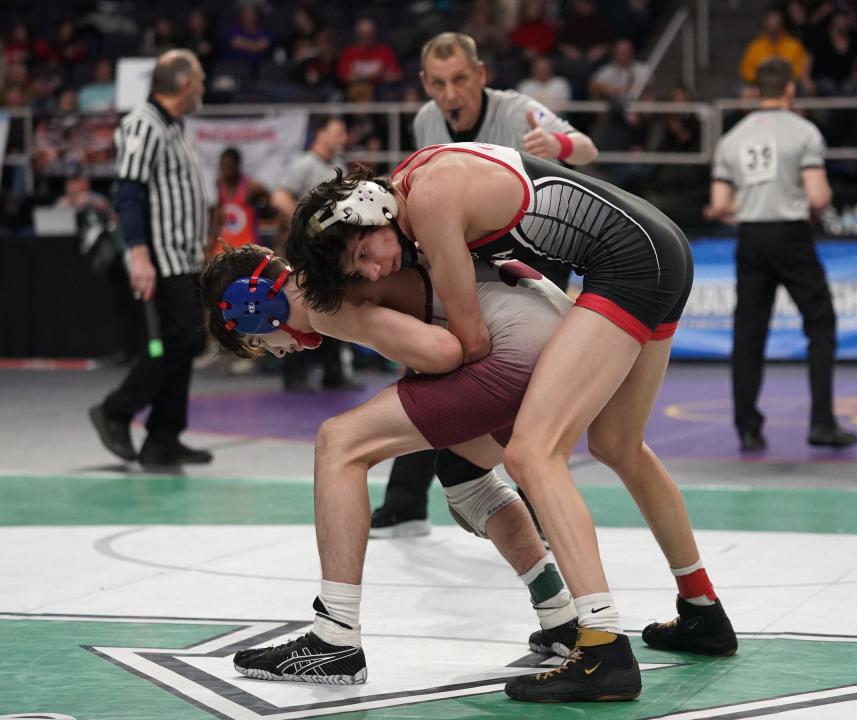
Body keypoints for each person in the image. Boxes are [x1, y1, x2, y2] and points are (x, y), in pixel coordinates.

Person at [285, 146, 739, 703]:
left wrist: (413, 373)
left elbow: (470, 343)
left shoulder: (428, 202)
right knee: (619, 445)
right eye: (359, 272)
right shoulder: (413, 188)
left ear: (373, 208)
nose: (376, 270)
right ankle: (701, 609)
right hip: (658, 246)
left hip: (630, 262)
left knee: (532, 453)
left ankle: (601, 647)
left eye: (365, 254)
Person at [200, 239, 582, 681]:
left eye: (257, 340)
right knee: (464, 474)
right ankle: (561, 618)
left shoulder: (321, 300)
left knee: (339, 443)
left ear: (254, 305)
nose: (274, 350)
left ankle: (334, 637)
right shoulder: (334, 268)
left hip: (523, 346)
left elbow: (443, 352)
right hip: (556, 338)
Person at [371, 31, 598, 538]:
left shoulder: (519, 112)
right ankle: (406, 501)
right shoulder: (426, 121)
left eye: (459, 81)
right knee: (429, 357)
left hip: (534, 248)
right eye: (437, 83)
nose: (450, 94)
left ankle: (541, 509)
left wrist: (558, 143)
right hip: (468, 248)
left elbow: (586, 148)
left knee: (527, 379)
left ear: (480, 76)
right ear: (425, 84)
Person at [706, 58, 857, 453]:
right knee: (820, 324)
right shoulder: (804, 132)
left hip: (751, 236)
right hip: (791, 235)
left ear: (757, 91)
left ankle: (748, 427)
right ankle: (822, 423)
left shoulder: (733, 138)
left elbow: (720, 204)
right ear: (790, 89)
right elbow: (819, 196)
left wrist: (755, 197)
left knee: (748, 333)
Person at [87, 49, 212, 467]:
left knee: (187, 341)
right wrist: (138, 254)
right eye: (200, 80)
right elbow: (129, 192)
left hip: (183, 255)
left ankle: (163, 439)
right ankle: (116, 410)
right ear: (182, 84)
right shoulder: (144, 123)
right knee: (183, 340)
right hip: (161, 256)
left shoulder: (173, 126)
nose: (204, 87)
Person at [271, 115, 359, 392]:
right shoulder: (304, 164)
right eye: (338, 131)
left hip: (331, 251)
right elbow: (279, 197)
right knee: (301, 306)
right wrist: (307, 222)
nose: (342, 138)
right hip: (307, 250)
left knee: (334, 305)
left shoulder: (338, 165)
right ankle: (295, 374)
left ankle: (333, 372)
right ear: (320, 134)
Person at [205, 147, 269, 257]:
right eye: (222, 166)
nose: (224, 170)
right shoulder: (220, 184)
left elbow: (269, 201)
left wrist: (263, 212)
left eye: (227, 166)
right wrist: (211, 243)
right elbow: (218, 215)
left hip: (248, 248)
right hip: (225, 248)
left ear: (237, 165)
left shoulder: (252, 187)